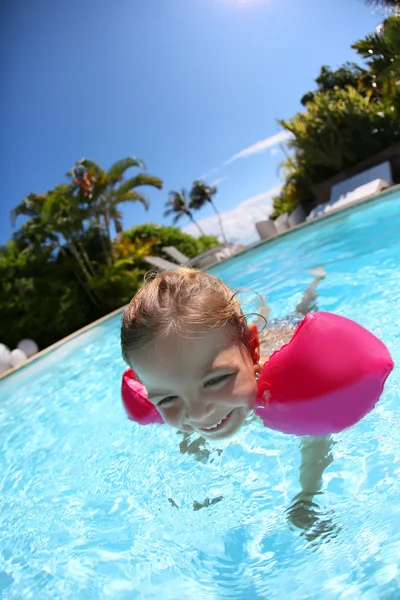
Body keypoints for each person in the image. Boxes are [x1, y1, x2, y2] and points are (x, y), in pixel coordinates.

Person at [120, 267, 334, 535]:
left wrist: (308, 495)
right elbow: (189, 437)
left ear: (253, 350)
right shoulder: (189, 387)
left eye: (214, 380)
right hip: (238, 340)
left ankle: (314, 281)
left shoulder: (284, 393)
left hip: (282, 336)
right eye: (168, 398)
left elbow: (316, 438)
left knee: (302, 310)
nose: (197, 414)